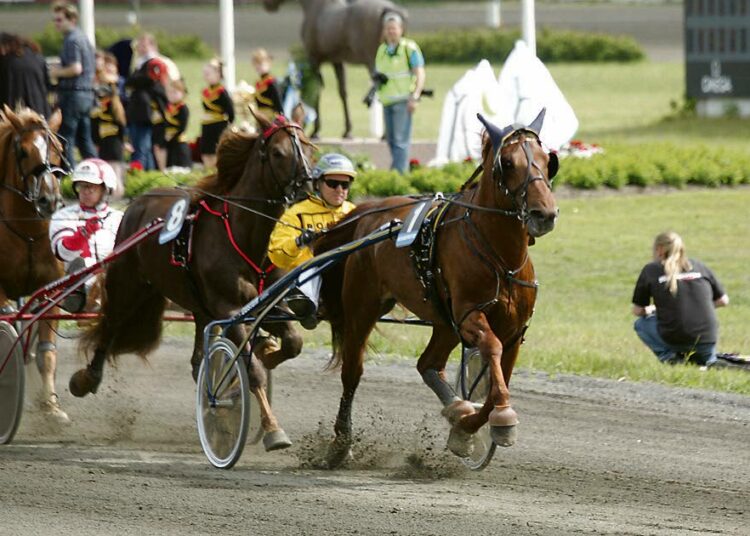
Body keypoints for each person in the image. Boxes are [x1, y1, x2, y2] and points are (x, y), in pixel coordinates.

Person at [267, 153, 357, 329]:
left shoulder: (355, 213)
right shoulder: (297, 213)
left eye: (345, 185)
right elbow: (276, 254)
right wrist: (298, 241)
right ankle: (305, 305)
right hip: (312, 273)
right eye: (332, 183)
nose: (339, 189)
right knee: (313, 267)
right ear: (318, 183)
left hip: (346, 275)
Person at [631, 231, 730, 367]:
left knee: (642, 324)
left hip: (676, 339)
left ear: (659, 249)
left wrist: (653, 309)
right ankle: (708, 361)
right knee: (708, 363)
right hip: (707, 339)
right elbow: (723, 301)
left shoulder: (651, 270)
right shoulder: (699, 266)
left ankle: (670, 358)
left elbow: (637, 311)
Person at [49, 158, 123, 312]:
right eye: (82, 187)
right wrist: (84, 233)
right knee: (78, 263)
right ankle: (79, 297)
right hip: (74, 280)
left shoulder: (118, 218)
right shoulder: (63, 216)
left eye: (91, 187)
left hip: (112, 280)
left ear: (105, 189)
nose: (85, 191)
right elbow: (63, 253)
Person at [374, 12, 425, 174]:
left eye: (394, 28)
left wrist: (415, 96)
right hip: (387, 101)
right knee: (391, 141)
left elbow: (420, 73)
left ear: (401, 30)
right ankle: (397, 171)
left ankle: (399, 174)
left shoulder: (409, 48)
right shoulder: (382, 49)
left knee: (400, 141)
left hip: (403, 100)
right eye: (388, 28)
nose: (391, 32)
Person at [49, 2, 97, 166]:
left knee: (66, 139)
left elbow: (76, 68)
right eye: (55, 20)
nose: (56, 23)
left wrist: (55, 72)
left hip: (73, 94)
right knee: (85, 140)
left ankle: (70, 176)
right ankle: (98, 173)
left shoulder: (72, 39)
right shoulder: (83, 38)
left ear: (72, 19)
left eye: (60, 20)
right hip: (86, 94)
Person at [125, 33, 169, 170]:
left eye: (144, 45)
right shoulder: (140, 63)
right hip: (138, 109)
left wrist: (135, 80)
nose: (140, 48)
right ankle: (148, 172)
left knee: (142, 147)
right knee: (142, 146)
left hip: (146, 110)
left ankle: (141, 173)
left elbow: (143, 81)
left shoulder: (153, 63)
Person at [90, 51, 126, 198]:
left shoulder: (113, 104)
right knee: (110, 168)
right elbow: (95, 123)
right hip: (105, 139)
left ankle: (118, 195)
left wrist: (123, 141)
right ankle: (114, 194)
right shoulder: (102, 105)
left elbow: (121, 124)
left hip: (113, 140)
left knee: (115, 169)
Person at [0, 33, 51, 118]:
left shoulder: (6, 62)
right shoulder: (38, 57)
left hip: (15, 116)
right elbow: (46, 85)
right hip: (41, 113)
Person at [200, 58, 234, 170]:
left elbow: (231, 112)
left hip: (218, 126)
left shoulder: (222, 92)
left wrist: (227, 127)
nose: (206, 76)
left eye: (208, 73)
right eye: (205, 74)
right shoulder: (206, 91)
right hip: (207, 125)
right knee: (205, 152)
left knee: (215, 152)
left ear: (218, 74)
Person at [164, 78, 191, 169]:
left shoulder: (183, 108)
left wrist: (172, 137)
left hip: (179, 142)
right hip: (168, 143)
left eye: (175, 92)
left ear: (182, 93)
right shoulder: (167, 108)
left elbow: (183, 127)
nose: (172, 95)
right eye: (170, 92)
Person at [251, 48, 284, 120]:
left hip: (271, 117)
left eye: (261, 63)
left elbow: (278, 101)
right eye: (256, 63)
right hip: (260, 116)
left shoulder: (271, 82)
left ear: (268, 64)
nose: (258, 66)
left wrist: (281, 116)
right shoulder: (258, 83)